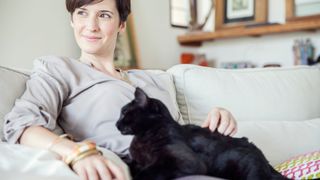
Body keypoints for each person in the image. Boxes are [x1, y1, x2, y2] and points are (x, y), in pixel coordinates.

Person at [3, 0, 237, 180]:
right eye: (82, 13)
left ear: (121, 24)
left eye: (103, 15)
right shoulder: (59, 69)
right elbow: (21, 124)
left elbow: (179, 132)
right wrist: (75, 152)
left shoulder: (153, 80)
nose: (91, 26)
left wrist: (216, 116)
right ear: (72, 20)